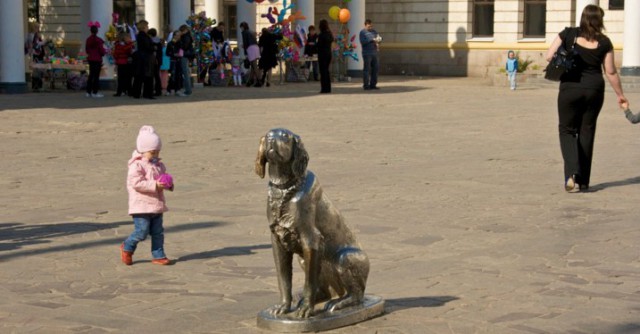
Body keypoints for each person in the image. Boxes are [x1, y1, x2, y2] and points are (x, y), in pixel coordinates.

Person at [545, 4, 627, 192]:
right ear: (600, 20)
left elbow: (549, 56)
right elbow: (611, 71)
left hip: (569, 89)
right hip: (594, 89)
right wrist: (620, 95)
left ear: (582, 18)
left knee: (566, 130)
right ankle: (583, 181)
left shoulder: (567, 34)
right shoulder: (605, 42)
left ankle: (571, 175)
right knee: (587, 131)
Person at [121, 125, 174, 266]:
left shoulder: (159, 165)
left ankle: (159, 255)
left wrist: (168, 184)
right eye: (152, 152)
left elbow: (163, 178)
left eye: (157, 152)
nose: (155, 155)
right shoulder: (136, 165)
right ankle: (127, 246)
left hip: (156, 204)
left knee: (158, 232)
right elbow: (136, 183)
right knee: (142, 232)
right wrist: (155, 185)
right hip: (141, 205)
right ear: (143, 151)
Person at [131, 20, 156, 99]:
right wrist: (154, 47)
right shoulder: (143, 36)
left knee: (140, 77)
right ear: (144, 27)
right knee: (147, 76)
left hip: (143, 57)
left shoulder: (141, 35)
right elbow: (147, 46)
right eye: (147, 26)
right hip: (145, 58)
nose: (148, 28)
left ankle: (138, 93)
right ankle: (147, 93)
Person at [85, 23, 106, 98]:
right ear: (97, 31)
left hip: (91, 59)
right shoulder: (99, 40)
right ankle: (95, 92)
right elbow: (101, 51)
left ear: (90, 31)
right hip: (97, 59)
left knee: (91, 75)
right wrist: (104, 52)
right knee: (96, 76)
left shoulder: (88, 39)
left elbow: (87, 50)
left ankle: (88, 92)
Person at [359, 19, 381, 90]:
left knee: (375, 69)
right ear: (365, 25)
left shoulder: (374, 31)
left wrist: (378, 40)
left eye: (371, 26)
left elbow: (378, 38)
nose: (370, 28)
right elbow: (362, 42)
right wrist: (371, 40)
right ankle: (366, 85)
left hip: (374, 52)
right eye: (369, 26)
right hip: (367, 53)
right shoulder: (362, 32)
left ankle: (373, 84)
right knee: (367, 69)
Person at [112, 32, 134, 97]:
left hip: (120, 62)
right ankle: (128, 91)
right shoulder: (129, 45)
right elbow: (128, 51)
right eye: (129, 37)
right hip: (126, 62)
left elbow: (115, 54)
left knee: (121, 78)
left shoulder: (117, 45)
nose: (130, 39)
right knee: (128, 78)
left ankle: (120, 91)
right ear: (125, 38)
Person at [240, 21, 262, 87]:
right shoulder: (251, 31)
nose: (241, 29)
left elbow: (245, 42)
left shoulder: (244, 32)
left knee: (254, 65)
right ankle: (250, 80)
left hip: (250, 48)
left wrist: (245, 52)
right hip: (255, 47)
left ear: (243, 27)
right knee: (253, 66)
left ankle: (259, 80)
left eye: (241, 27)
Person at [316, 19, 334, 94]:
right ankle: (328, 88)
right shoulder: (329, 34)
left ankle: (324, 88)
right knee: (327, 71)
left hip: (322, 55)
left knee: (323, 72)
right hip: (328, 54)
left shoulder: (321, 35)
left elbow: (319, 45)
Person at [178, 24, 194, 96]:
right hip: (186, 54)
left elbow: (184, 47)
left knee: (185, 72)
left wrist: (179, 41)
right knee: (186, 72)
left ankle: (188, 90)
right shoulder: (188, 36)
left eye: (181, 31)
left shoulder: (185, 37)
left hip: (184, 54)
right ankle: (188, 89)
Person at [165, 30, 183, 96]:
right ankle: (168, 90)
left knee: (178, 76)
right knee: (172, 76)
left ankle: (177, 90)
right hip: (173, 61)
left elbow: (182, 51)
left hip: (179, 60)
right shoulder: (170, 43)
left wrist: (180, 54)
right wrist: (173, 54)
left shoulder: (181, 43)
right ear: (174, 35)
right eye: (177, 35)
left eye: (179, 35)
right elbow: (167, 53)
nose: (178, 37)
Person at [148, 28, 163, 96]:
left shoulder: (152, 42)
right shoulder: (159, 41)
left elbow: (155, 52)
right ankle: (158, 90)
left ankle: (157, 90)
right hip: (159, 60)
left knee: (154, 75)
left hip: (155, 60)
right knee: (157, 76)